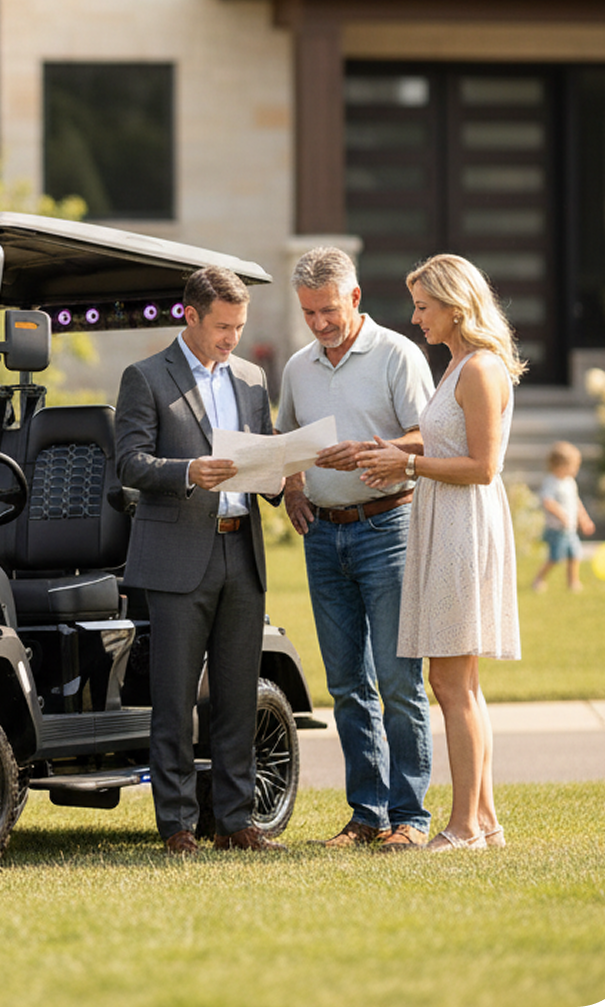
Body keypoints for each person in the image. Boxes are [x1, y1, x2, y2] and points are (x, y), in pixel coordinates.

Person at [357, 253, 525, 853]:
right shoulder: (456, 365)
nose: (415, 317)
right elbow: (445, 439)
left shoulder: (480, 369)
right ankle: (486, 820)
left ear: (456, 307)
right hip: (443, 520)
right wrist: (388, 452)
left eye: (424, 307)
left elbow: (483, 466)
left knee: (452, 683)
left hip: (463, 525)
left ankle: (464, 828)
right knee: (459, 683)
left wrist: (407, 463)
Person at [115, 265, 284, 857]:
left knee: (237, 695)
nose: (231, 338)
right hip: (177, 558)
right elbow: (129, 464)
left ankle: (236, 822)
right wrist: (187, 472)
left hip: (242, 549)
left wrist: (288, 472)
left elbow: (266, 458)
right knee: (175, 700)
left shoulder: (252, 378)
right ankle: (178, 827)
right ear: (189, 316)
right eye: (222, 326)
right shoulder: (145, 377)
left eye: (239, 326)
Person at [277, 247, 435, 852]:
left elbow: (429, 436)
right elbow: (287, 440)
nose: (319, 323)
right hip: (325, 534)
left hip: (387, 530)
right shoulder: (298, 367)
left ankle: (410, 818)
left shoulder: (397, 354)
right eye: (309, 312)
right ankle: (366, 815)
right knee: (347, 685)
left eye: (328, 311)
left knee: (398, 682)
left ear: (356, 298)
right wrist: (293, 486)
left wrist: (375, 449)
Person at [532, 441, 594, 593]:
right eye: (574, 465)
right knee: (555, 557)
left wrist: (584, 519)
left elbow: (576, 502)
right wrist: (561, 515)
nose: (576, 469)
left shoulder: (570, 482)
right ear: (560, 466)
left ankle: (573, 582)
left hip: (570, 529)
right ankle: (539, 579)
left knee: (575, 555)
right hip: (557, 529)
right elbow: (548, 501)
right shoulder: (552, 482)